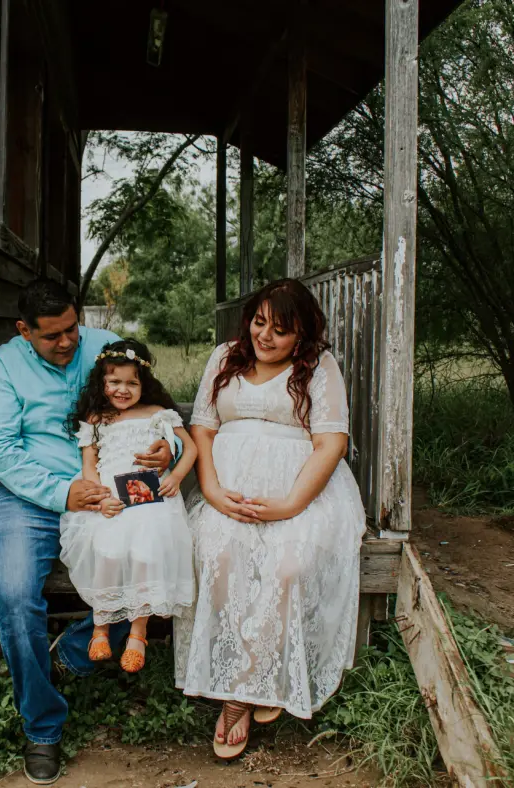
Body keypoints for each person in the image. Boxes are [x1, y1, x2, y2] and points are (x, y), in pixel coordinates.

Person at [0, 279, 180, 785]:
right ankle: (43, 726)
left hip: (115, 489)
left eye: (72, 328)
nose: (68, 342)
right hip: (30, 495)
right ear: (24, 330)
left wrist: (168, 451)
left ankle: (68, 655)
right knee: (17, 596)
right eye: (52, 336)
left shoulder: (104, 346)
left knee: (162, 560)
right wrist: (63, 492)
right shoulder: (4, 367)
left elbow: (157, 408)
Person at [174, 278, 366, 760]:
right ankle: (252, 681)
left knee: (287, 566)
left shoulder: (320, 367)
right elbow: (202, 426)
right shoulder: (224, 357)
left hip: (300, 491)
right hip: (227, 489)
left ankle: (238, 694)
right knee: (216, 553)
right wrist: (213, 490)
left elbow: (331, 443)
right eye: (259, 322)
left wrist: (290, 505)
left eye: (280, 330)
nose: (265, 336)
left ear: (301, 334)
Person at [60, 340, 197, 674]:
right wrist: (98, 497)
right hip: (112, 498)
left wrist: (177, 476)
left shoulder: (158, 414)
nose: (123, 390)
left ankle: (138, 633)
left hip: (151, 501)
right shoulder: (96, 419)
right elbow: (89, 464)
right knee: (107, 549)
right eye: (114, 382)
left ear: (144, 383)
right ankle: (101, 626)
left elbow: (190, 448)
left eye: (131, 382)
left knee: (147, 550)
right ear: (102, 383)